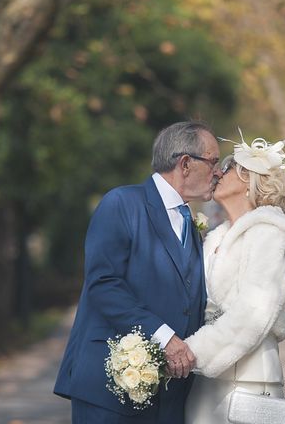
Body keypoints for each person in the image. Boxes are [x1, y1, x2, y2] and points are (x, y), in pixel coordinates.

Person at [54, 121, 223, 423]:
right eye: (213, 162)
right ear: (185, 163)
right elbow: (104, 284)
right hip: (110, 389)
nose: (218, 172)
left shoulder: (191, 224)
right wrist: (165, 338)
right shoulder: (121, 203)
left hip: (168, 399)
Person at [184, 132, 285, 423]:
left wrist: (192, 353)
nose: (219, 172)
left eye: (229, 167)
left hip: (249, 383)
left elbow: (254, 314)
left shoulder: (270, 234)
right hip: (206, 381)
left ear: (248, 179)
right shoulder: (215, 237)